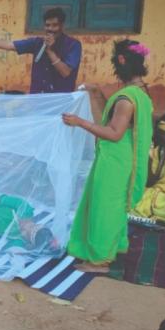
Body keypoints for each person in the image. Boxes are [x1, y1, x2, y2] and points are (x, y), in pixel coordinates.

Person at [62, 39, 154, 272]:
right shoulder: (140, 92)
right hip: (123, 158)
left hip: (115, 160)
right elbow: (110, 118)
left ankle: (100, 259)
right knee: (113, 205)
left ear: (121, 61)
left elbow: (113, 133)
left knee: (104, 207)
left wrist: (79, 122)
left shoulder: (126, 99)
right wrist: (96, 94)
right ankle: (114, 245)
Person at [0, 7, 82, 93]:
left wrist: (50, 51)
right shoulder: (37, 43)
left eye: (54, 25)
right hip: (38, 99)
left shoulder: (73, 45)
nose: (50, 29)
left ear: (62, 26)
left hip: (60, 101)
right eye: (47, 25)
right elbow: (8, 45)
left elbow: (65, 72)